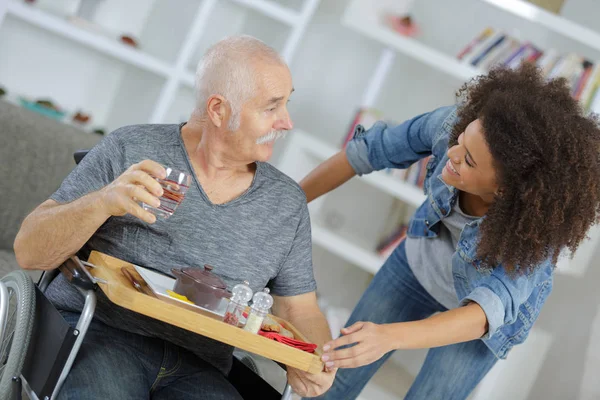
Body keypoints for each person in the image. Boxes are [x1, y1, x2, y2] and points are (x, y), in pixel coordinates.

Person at [14, 35, 335, 399]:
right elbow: (29, 252)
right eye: (272, 107)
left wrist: (314, 360)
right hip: (102, 333)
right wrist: (102, 201)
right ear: (218, 110)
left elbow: (300, 308)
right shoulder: (130, 149)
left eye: (287, 104)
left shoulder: (286, 204)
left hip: (201, 364)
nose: (287, 122)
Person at [300, 63, 600, 399]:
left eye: (469, 161)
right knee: (336, 376)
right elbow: (366, 153)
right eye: (461, 140)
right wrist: (288, 205)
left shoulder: (531, 239)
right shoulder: (454, 127)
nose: (451, 154)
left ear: (504, 190)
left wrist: (388, 336)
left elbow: (481, 315)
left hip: (475, 321)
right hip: (417, 265)